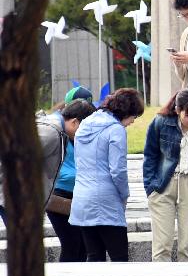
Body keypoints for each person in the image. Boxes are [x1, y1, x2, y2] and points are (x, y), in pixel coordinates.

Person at [70, 88, 145, 262]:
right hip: (107, 202)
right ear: (126, 112)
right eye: (134, 116)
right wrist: (125, 195)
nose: (133, 121)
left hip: (82, 200)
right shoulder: (116, 130)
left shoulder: (84, 126)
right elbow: (118, 170)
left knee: (94, 256)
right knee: (119, 257)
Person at [143, 89, 188, 262]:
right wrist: (150, 187)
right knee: (162, 247)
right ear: (177, 110)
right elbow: (150, 156)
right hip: (163, 184)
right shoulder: (160, 123)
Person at [45, 100, 97, 262]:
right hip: (59, 195)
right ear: (74, 121)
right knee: (72, 245)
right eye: (85, 126)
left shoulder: (68, 134)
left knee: (81, 245)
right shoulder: (52, 132)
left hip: (73, 194)